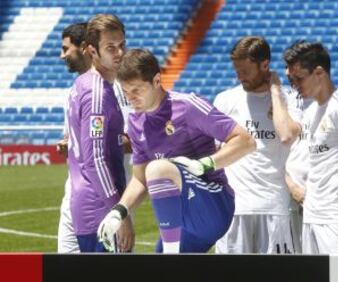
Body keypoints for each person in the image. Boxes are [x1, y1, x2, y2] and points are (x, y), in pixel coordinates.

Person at [97, 48, 256, 253]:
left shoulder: (187, 106)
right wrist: (119, 211)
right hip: (182, 218)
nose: (130, 99)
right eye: (126, 93)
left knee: (158, 169)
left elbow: (246, 141)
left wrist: (203, 164)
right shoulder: (136, 122)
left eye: (136, 90)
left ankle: (170, 260)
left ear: (156, 81)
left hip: (213, 204)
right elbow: (139, 179)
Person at [214, 36, 302, 254]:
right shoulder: (225, 100)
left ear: (265, 65)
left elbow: (289, 137)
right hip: (234, 209)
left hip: (274, 207)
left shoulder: (291, 101)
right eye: (237, 70)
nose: (239, 76)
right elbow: (215, 153)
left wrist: (275, 91)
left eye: (245, 70)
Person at [283, 40, 338, 254]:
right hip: (311, 215)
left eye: (299, 78)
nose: (295, 85)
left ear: (319, 72)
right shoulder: (311, 112)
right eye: (291, 80)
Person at [67, 14, 132, 252]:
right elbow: (94, 159)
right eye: (110, 48)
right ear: (92, 51)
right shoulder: (97, 92)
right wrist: (119, 212)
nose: (120, 53)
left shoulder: (87, 84)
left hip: (94, 205)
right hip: (100, 209)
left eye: (122, 45)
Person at [57, 22, 91, 253]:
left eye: (66, 48)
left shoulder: (113, 88)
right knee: (64, 267)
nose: (62, 56)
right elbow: (72, 135)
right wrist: (68, 142)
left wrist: (90, 142)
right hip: (73, 194)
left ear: (85, 47)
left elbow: (132, 140)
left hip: (102, 198)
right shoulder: (73, 91)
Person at [285, 97, 313, 253]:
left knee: (322, 261)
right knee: (291, 263)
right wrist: (292, 187)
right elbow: (268, 153)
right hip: (288, 197)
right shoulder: (279, 104)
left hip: (322, 199)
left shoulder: (332, 104)